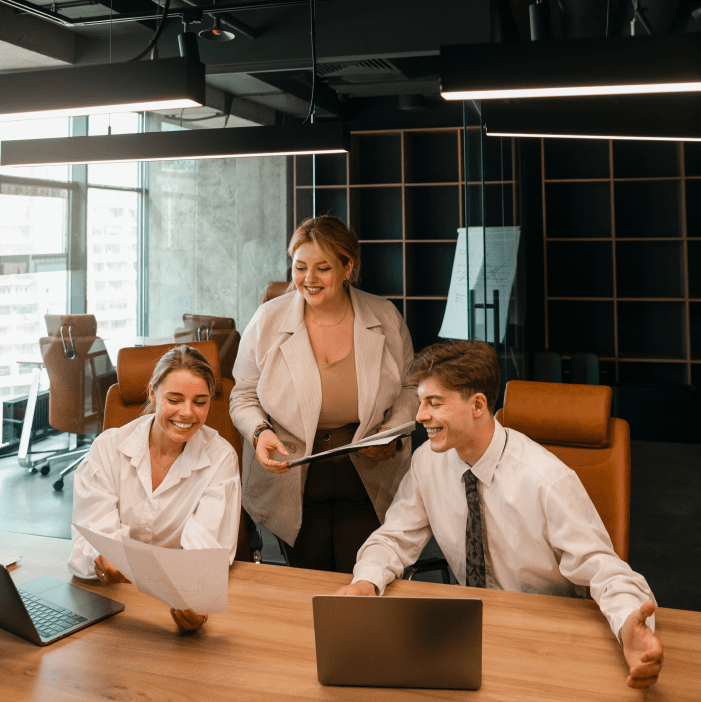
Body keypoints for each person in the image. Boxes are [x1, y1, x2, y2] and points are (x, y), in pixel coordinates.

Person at [335, 340, 664, 689]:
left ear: (477, 404)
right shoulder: (427, 462)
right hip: (467, 633)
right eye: (420, 402)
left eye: (434, 403)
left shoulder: (546, 481)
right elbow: (393, 537)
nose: (419, 416)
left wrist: (629, 623)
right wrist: (366, 581)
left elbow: (606, 569)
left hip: (545, 637)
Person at [230, 215, 417, 573]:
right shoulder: (268, 319)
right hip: (294, 476)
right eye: (300, 268)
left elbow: (410, 387)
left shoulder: (385, 315)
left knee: (360, 576)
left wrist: (391, 431)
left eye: (322, 268)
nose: (309, 279)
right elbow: (243, 395)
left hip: (367, 472)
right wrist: (259, 432)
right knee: (305, 584)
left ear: (348, 267)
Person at [69, 345, 241, 632]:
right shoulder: (108, 449)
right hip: (112, 604)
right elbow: (89, 539)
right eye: (174, 399)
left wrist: (193, 600)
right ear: (152, 393)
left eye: (200, 402)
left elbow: (206, 554)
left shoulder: (221, 457)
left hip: (174, 605)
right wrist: (99, 559)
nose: (187, 413)